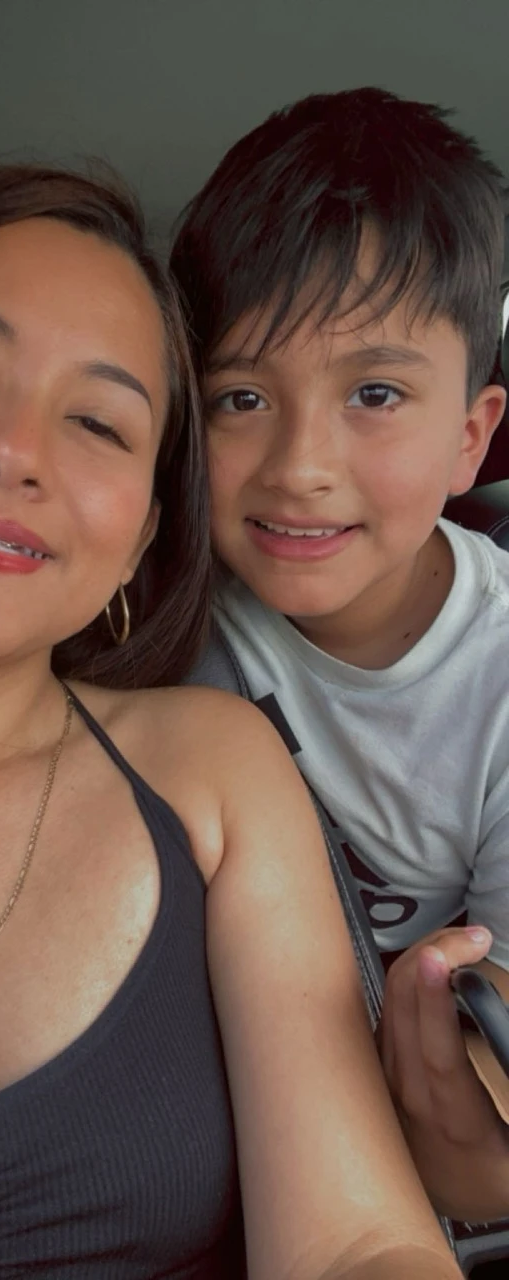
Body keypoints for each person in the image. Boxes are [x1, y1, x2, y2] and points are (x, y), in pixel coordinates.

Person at [0, 161, 462, 1280]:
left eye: (99, 421)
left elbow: (358, 1242)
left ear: (146, 532)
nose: (15, 449)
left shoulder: (212, 766)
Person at [171, 86, 509, 1224]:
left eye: (374, 392)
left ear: (472, 433)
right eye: (242, 396)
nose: (301, 465)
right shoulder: (151, 609)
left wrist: (458, 1131)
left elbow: (483, 1171)